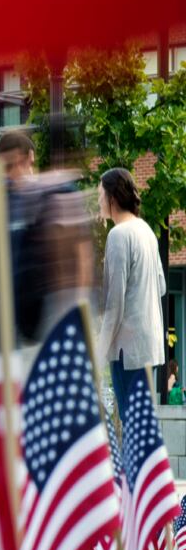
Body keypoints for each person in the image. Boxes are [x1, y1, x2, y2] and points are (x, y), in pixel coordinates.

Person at [0, 130, 94, 346]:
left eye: (20, 163)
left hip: (50, 315)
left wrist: (76, 307)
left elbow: (82, 254)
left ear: (31, 158)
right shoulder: (1, 202)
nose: (16, 172)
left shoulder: (54, 193)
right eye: (7, 167)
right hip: (15, 324)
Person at [97, 167, 165, 425]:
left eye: (101, 194)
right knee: (145, 427)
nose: (99, 201)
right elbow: (160, 285)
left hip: (127, 352)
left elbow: (114, 305)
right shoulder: (146, 231)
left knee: (134, 427)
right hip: (151, 347)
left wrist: (99, 352)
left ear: (113, 197)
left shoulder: (118, 235)